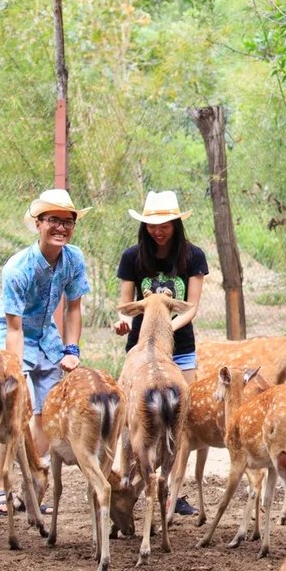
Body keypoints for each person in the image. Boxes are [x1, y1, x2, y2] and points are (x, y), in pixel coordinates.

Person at [0, 188, 92, 515]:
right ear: (38, 224)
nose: (61, 228)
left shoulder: (73, 259)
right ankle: (0, 489)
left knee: (46, 415)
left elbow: (74, 307)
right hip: (14, 335)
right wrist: (14, 368)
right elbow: (15, 327)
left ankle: (31, 485)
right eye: (53, 221)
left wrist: (72, 347)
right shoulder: (17, 268)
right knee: (17, 410)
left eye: (68, 222)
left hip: (47, 336)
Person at [113, 191, 208, 516]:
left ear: (176, 224)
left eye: (165, 224)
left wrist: (165, 328)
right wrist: (125, 323)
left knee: (179, 422)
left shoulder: (193, 257)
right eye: (152, 225)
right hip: (140, 353)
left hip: (179, 351)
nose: (159, 230)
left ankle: (173, 492)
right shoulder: (131, 257)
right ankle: (127, 482)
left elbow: (190, 308)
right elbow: (127, 306)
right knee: (133, 423)